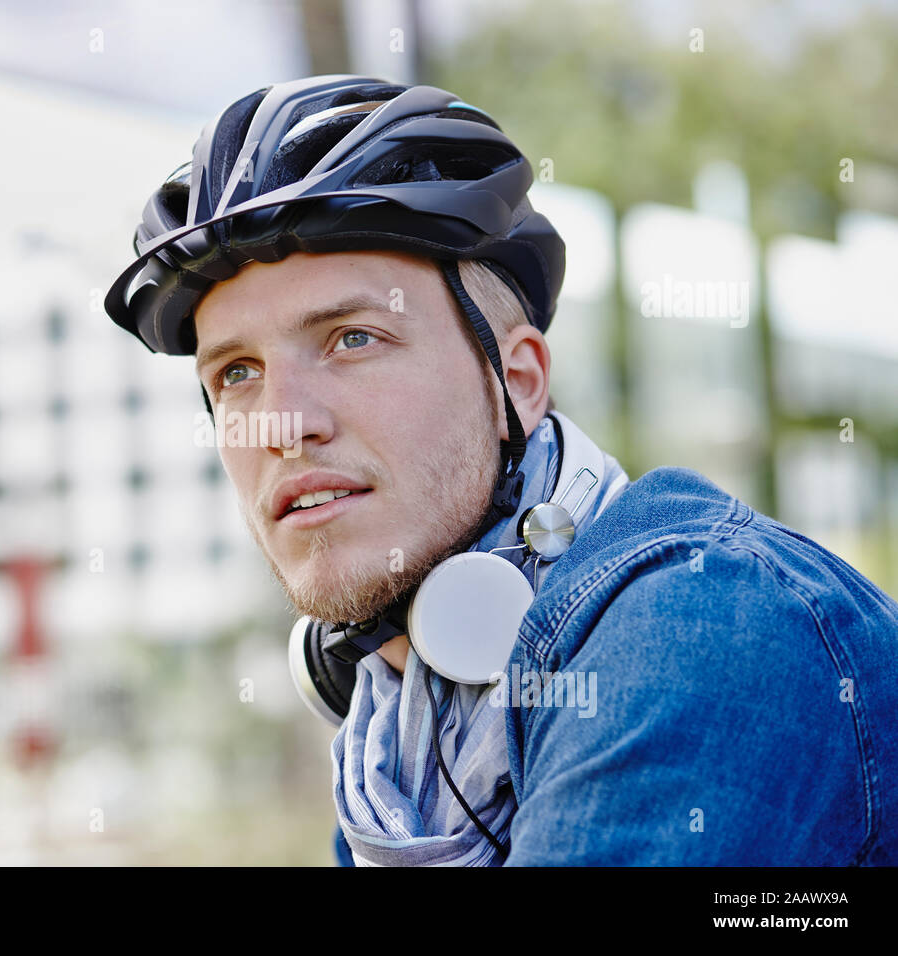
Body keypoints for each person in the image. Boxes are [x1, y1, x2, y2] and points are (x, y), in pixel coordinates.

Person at [104, 74, 898, 866]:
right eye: (236, 374)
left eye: (353, 339)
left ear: (515, 383)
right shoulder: (394, 758)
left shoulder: (702, 623)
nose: (284, 424)